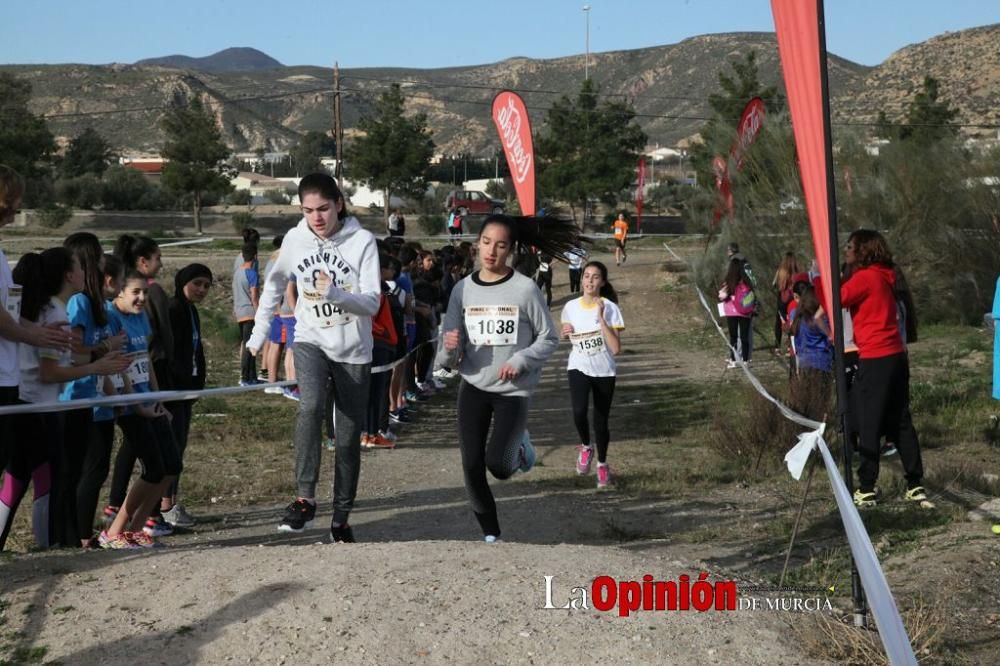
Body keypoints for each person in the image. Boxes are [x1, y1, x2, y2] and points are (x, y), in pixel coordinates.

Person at [247, 173, 381, 543]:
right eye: (308, 210)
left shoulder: (362, 242)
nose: (317, 217)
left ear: (338, 203)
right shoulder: (296, 239)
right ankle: (305, 497)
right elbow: (274, 283)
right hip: (310, 339)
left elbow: (372, 302)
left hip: (353, 348)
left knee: (349, 436)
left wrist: (336, 294)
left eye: (323, 208)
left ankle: (341, 516)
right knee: (310, 406)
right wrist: (259, 335)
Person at [436, 213, 580, 542]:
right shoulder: (462, 290)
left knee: (498, 466)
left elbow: (549, 337)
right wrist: (447, 349)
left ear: (511, 250)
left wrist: (521, 358)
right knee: (471, 464)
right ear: (476, 246)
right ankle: (491, 533)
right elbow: (449, 354)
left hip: (513, 389)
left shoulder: (525, 289)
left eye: (501, 245)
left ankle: (520, 447)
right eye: (486, 243)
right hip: (473, 385)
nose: (492, 251)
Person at [1, 249, 127, 551]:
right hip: (39, 407)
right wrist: (97, 367)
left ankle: (45, 543)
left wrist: (96, 355)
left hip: (31, 403)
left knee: (18, 479)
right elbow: (50, 372)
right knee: (45, 478)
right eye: (81, 269)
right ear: (68, 275)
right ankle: (50, 546)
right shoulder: (57, 314)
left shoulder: (44, 310)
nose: (87, 274)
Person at [841, 230, 925, 508]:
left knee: (869, 419)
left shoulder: (866, 278)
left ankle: (866, 487)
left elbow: (836, 299)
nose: (845, 250)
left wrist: (819, 280)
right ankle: (915, 484)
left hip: (876, 357)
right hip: (896, 356)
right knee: (900, 419)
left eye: (850, 246)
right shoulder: (886, 274)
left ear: (863, 250)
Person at [0, 165, 74, 478]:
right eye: (10, 204)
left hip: (7, 376)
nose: (15, 213)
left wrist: (37, 330)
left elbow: (9, 312)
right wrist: (36, 338)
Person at [100, 271, 183, 548]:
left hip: (148, 400)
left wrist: (157, 398)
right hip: (127, 404)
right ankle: (114, 531)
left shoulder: (141, 318)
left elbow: (145, 359)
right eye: (135, 292)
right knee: (154, 469)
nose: (142, 298)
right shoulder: (111, 317)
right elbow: (119, 364)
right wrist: (137, 404)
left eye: (145, 292)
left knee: (172, 466)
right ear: (119, 292)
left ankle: (137, 529)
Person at [560, 261, 624, 489]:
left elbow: (616, 349)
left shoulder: (611, 308)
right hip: (578, 366)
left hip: (604, 370)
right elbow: (566, 332)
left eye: (595, 277)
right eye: (586, 276)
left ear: (602, 282)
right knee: (578, 412)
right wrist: (564, 332)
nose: (589, 281)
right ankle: (586, 447)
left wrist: (602, 320)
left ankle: (603, 464)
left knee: (601, 422)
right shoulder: (570, 306)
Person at [161, 263, 213, 529]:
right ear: (183, 282)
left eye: (206, 285)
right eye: (197, 284)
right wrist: (174, 385)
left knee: (178, 447)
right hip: (172, 391)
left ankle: (169, 503)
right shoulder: (173, 309)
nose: (201, 290)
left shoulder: (191, 311)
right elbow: (170, 354)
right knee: (170, 449)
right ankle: (164, 507)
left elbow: (194, 351)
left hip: (187, 391)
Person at [718, 257, 756, 367]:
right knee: (744, 337)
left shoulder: (728, 280)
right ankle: (745, 360)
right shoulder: (746, 281)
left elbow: (722, 296)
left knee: (733, 336)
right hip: (744, 311)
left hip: (731, 311)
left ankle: (733, 360)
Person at [233, 242, 260, 386]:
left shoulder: (237, 272)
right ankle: (245, 377)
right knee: (250, 346)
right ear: (255, 256)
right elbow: (254, 297)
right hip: (250, 313)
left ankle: (251, 376)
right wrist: (260, 313)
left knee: (247, 344)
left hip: (239, 312)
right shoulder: (252, 274)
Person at [772, 252, 800, 354]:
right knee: (792, 320)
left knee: (779, 322)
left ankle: (777, 346)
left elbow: (774, 284)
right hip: (792, 299)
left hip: (781, 300)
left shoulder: (780, 271)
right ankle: (790, 346)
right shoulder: (796, 273)